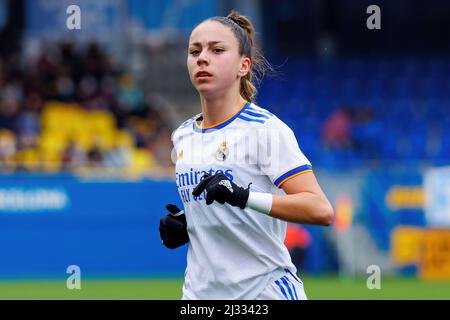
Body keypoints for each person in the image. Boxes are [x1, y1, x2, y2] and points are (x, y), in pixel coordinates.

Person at [159, 11, 334, 300]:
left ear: (244, 65)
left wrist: (244, 196)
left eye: (217, 50)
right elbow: (223, 207)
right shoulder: (182, 135)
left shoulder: (264, 130)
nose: (202, 58)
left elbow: (320, 210)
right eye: (195, 51)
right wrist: (189, 224)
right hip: (199, 296)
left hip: (264, 293)